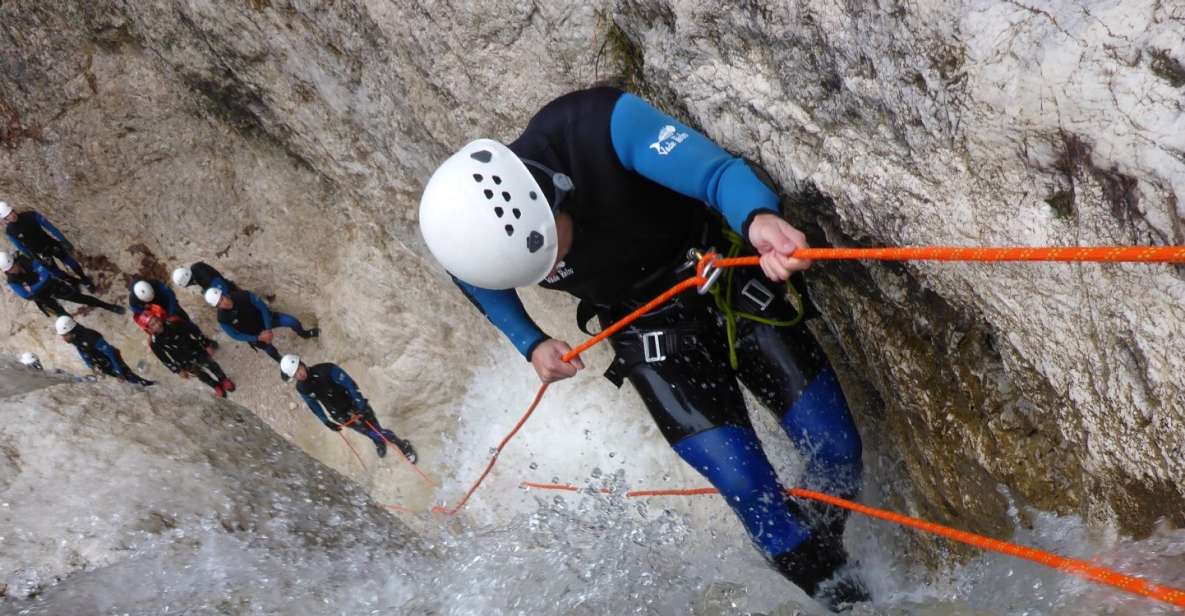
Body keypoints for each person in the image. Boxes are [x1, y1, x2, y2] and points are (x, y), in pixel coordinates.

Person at [419, 88, 865, 608]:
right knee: (749, 490)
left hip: (721, 279)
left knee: (836, 451)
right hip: (648, 335)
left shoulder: (599, 127)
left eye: (547, 258)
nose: (548, 274)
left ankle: (821, 545)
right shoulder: (473, 232)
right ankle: (854, 603)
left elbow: (717, 175)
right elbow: (472, 276)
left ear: (555, 196)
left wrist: (758, 220)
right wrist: (530, 341)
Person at [280, 354, 417, 462]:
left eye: (299, 368)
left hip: (355, 406)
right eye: (296, 374)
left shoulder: (326, 369)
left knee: (377, 430)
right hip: (340, 415)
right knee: (366, 432)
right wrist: (327, 422)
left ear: (302, 363)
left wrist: (361, 406)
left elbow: (350, 384)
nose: (300, 374)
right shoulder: (302, 388)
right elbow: (314, 405)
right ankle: (378, 441)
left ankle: (402, 445)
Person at [205, 286, 318, 362]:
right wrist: (258, 337)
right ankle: (280, 361)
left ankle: (304, 334)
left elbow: (262, 308)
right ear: (217, 307)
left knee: (292, 321)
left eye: (222, 298)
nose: (223, 303)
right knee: (270, 350)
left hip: (266, 319)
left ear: (224, 294)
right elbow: (235, 335)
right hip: (254, 334)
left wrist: (268, 330)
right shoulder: (223, 319)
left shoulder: (243, 295)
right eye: (219, 303)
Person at [136, 310, 234, 397]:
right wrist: (178, 371)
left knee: (211, 365)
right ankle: (215, 385)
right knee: (200, 374)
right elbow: (164, 359)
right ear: (148, 329)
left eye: (156, 320)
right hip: (182, 360)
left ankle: (223, 379)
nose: (157, 324)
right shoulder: (154, 342)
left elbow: (193, 329)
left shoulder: (173, 322)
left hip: (195, 349)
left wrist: (205, 343)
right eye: (153, 324)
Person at [1, 200, 96, 290]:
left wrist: (63, 240)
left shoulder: (30, 215)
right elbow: (20, 246)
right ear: (5, 219)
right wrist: (32, 257)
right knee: (55, 272)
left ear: (13, 210)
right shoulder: (10, 232)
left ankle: (85, 279)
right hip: (39, 253)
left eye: (11, 212)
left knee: (69, 261)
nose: (11, 216)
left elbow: (50, 227)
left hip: (50, 244)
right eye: (8, 216)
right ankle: (73, 282)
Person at [2, 251, 124, 317]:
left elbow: (45, 274)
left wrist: (34, 287)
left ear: (15, 261)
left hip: (52, 286)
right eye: (10, 270)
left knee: (80, 298)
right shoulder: (12, 281)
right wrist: (40, 282)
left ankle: (109, 306)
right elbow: (27, 296)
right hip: (43, 297)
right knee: (62, 316)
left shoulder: (24, 260)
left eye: (13, 266)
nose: (13, 270)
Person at [55, 315, 153, 386]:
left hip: (112, 360)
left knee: (132, 379)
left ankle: (151, 386)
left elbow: (111, 353)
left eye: (64, 335)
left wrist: (119, 372)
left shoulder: (89, 337)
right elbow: (82, 350)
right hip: (101, 363)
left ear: (71, 331)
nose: (64, 339)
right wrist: (92, 366)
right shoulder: (74, 338)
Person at [130, 278, 217, 350]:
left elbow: (170, 295)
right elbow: (141, 318)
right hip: (156, 316)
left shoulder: (155, 283)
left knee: (186, 322)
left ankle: (204, 341)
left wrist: (171, 313)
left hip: (168, 305)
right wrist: (151, 328)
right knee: (173, 333)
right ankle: (192, 347)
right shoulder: (134, 302)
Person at [172, 262, 239, 294]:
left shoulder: (202, 277)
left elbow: (221, 289)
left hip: (229, 291)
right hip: (226, 284)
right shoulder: (196, 268)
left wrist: (206, 291)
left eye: (189, 284)